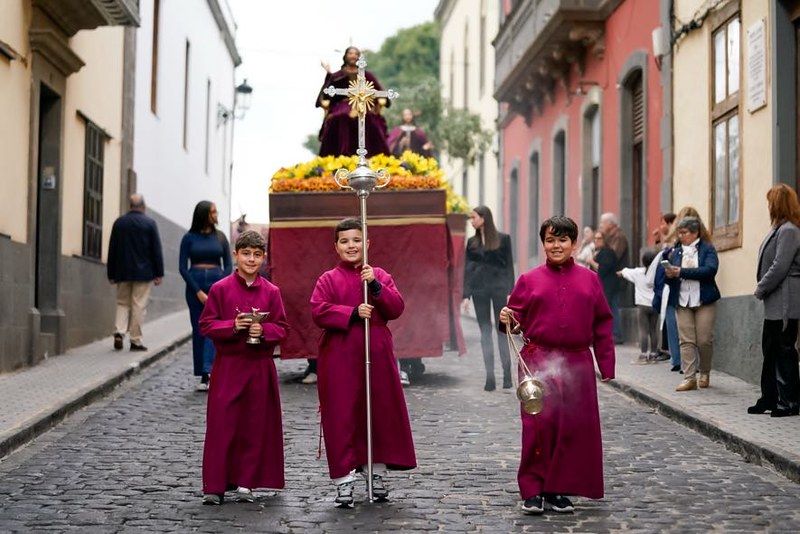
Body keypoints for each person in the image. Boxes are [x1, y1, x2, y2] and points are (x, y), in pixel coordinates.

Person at [499, 216, 615, 515]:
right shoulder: (528, 279)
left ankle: (558, 490)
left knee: (572, 429)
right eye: (550, 240)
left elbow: (602, 322)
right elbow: (514, 323)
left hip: (577, 364)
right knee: (538, 427)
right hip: (537, 362)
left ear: (574, 244)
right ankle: (533, 490)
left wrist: (607, 364)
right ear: (544, 243)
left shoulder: (590, 279)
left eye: (563, 240)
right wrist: (506, 321)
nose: (556, 245)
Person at [310, 218, 416, 507]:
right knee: (343, 415)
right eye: (344, 241)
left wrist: (375, 286)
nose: (351, 246)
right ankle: (344, 479)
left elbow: (396, 308)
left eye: (356, 240)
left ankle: (376, 471)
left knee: (378, 412)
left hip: (377, 353)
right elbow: (319, 311)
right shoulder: (327, 279)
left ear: (366, 243)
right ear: (336, 247)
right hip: (340, 356)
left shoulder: (379, 274)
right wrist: (352, 313)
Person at [199, 230, 288, 505]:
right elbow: (206, 325)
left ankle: (246, 483)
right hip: (229, 366)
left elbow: (283, 329)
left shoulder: (272, 292)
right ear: (235, 256)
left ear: (263, 259)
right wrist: (232, 326)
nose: (251, 259)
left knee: (254, 425)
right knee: (222, 425)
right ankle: (215, 486)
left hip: (259, 367)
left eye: (257, 255)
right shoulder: (220, 289)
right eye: (246, 254)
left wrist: (264, 330)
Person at [749, 184, 800, 417]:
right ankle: (769, 397)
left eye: (771, 202)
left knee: (784, 350)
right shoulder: (778, 229)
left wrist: (760, 288)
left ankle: (789, 401)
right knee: (770, 350)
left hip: (785, 301)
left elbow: (780, 265)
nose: (768, 206)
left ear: (778, 204)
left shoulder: (789, 230)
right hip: (775, 303)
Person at [661, 217, 720, 392]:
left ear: (695, 232)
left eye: (684, 232)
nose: (680, 235)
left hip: (704, 300)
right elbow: (667, 278)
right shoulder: (675, 252)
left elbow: (710, 270)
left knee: (704, 340)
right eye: (679, 232)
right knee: (686, 340)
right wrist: (669, 274)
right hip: (682, 300)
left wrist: (681, 271)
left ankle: (705, 372)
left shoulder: (707, 249)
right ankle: (689, 378)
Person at [179, 201, 232, 391]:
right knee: (199, 329)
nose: (216, 214)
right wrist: (198, 291)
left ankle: (213, 371)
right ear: (204, 215)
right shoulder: (189, 238)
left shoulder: (220, 237)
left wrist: (218, 288)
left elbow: (228, 265)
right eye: (213, 212)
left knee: (215, 327)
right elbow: (182, 268)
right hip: (195, 287)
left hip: (217, 286)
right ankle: (203, 374)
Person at [462, 206, 515, 391]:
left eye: (473, 217)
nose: (471, 220)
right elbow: (467, 270)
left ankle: (507, 374)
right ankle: (490, 377)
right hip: (479, 291)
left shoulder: (503, 239)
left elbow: (509, 266)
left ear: (484, 218)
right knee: (485, 333)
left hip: (499, 289)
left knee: (502, 332)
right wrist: (466, 295)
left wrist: (511, 291)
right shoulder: (471, 242)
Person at [651, 207, 711, 372]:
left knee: (693, 334)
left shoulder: (701, 247)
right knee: (687, 334)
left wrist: (679, 271)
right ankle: (687, 369)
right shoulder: (681, 247)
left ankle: (684, 363)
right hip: (682, 290)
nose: (684, 235)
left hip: (693, 292)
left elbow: (710, 269)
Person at [107, 194, 164, 351]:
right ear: (143, 207)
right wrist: (159, 273)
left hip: (122, 272)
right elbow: (156, 250)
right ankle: (135, 340)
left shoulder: (119, 223)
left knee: (122, 302)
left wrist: (111, 273)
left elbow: (112, 249)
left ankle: (119, 331)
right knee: (138, 305)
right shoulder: (150, 223)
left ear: (130, 206)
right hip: (144, 273)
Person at [316, 46, 390, 157]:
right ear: (345, 56)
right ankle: (341, 155)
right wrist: (329, 75)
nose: (353, 56)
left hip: (363, 103)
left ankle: (372, 156)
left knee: (368, 117)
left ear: (359, 57)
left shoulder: (367, 75)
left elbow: (379, 91)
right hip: (342, 104)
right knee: (340, 117)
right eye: (350, 53)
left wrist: (381, 100)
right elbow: (327, 93)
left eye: (356, 54)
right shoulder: (337, 75)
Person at [618, 248, 664, 364]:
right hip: (654, 305)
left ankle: (643, 355)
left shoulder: (637, 272)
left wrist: (620, 273)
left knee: (643, 330)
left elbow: (625, 272)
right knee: (653, 330)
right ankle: (653, 355)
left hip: (642, 306)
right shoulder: (657, 273)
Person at [598, 213, 628, 343]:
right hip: (611, 278)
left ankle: (617, 334)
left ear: (611, 224)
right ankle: (613, 333)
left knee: (614, 306)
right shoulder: (611, 236)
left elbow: (612, 256)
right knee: (611, 306)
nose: (601, 226)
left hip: (616, 277)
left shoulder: (618, 236)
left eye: (603, 223)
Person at [587, 232, 618, 309]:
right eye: (595, 238)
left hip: (607, 288)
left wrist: (591, 262)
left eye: (599, 238)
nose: (596, 240)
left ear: (604, 240)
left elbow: (602, 269)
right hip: (600, 287)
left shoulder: (607, 252)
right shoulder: (598, 252)